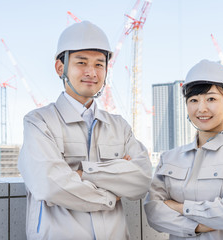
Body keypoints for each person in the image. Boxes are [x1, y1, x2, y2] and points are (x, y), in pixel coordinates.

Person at [18, 21, 152, 240]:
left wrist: (82, 174)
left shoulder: (119, 126)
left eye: (99, 64)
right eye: (81, 62)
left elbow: (142, 180)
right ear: (60, 68)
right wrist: (112, 192)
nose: (91, 72)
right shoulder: (39, 122)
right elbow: (49, 185)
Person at [144, 59, 223, 239]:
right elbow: (153, 212)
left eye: (211, 99)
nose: (201, 108)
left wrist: (180, 207)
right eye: (193, 100)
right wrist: (198, 226)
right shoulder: (169, 158)